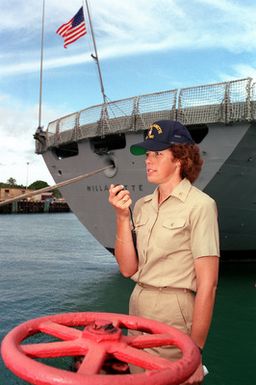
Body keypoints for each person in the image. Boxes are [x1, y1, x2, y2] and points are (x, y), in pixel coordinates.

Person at [108, 120, 220, 385]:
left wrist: (195, 352)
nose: (149, 161)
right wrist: (122, 217)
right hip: (137, 305)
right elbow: (127, 270)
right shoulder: (143, 206)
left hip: (174, 311)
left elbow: (208, 284)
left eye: (158, 154)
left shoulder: (200, 206)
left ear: (180, 159)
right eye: (148, 155)